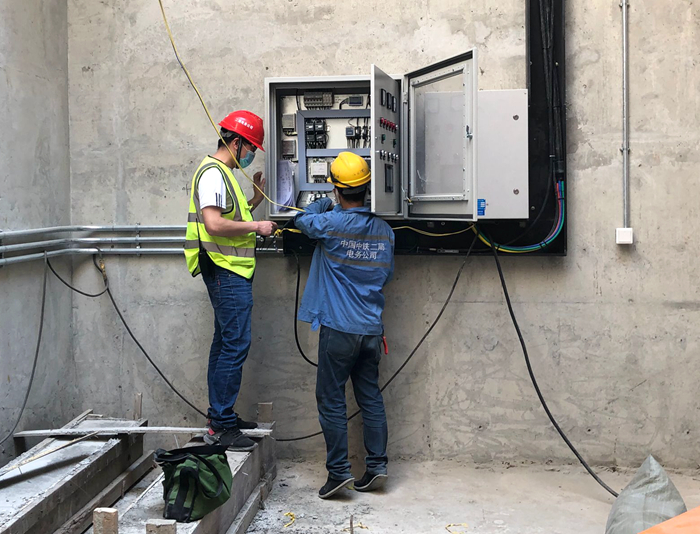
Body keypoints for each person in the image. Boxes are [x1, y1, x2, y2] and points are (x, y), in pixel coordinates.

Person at [294, 152, 395, 499]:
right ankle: (377, 466)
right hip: (371, 329)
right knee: (370, 397)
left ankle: (338, 473)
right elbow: (386, 275)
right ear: (367, 189)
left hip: (339, 329)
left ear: (337, 190)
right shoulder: (385, 231)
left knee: (332, 398)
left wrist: (324, 202)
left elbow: (302, 219)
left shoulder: (330, 223)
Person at [184, 110, 277, 451]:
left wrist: (254, 201)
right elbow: (214, 224)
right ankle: (221, 425)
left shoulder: (222, 174)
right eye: (250, 147)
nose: (251, 154)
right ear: (236, 142)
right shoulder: (213, 174)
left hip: (228, 269)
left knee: (224, 343)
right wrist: (258, 226)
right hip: (225, 269)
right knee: (235, 345)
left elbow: (228, 216)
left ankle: (219, 416)